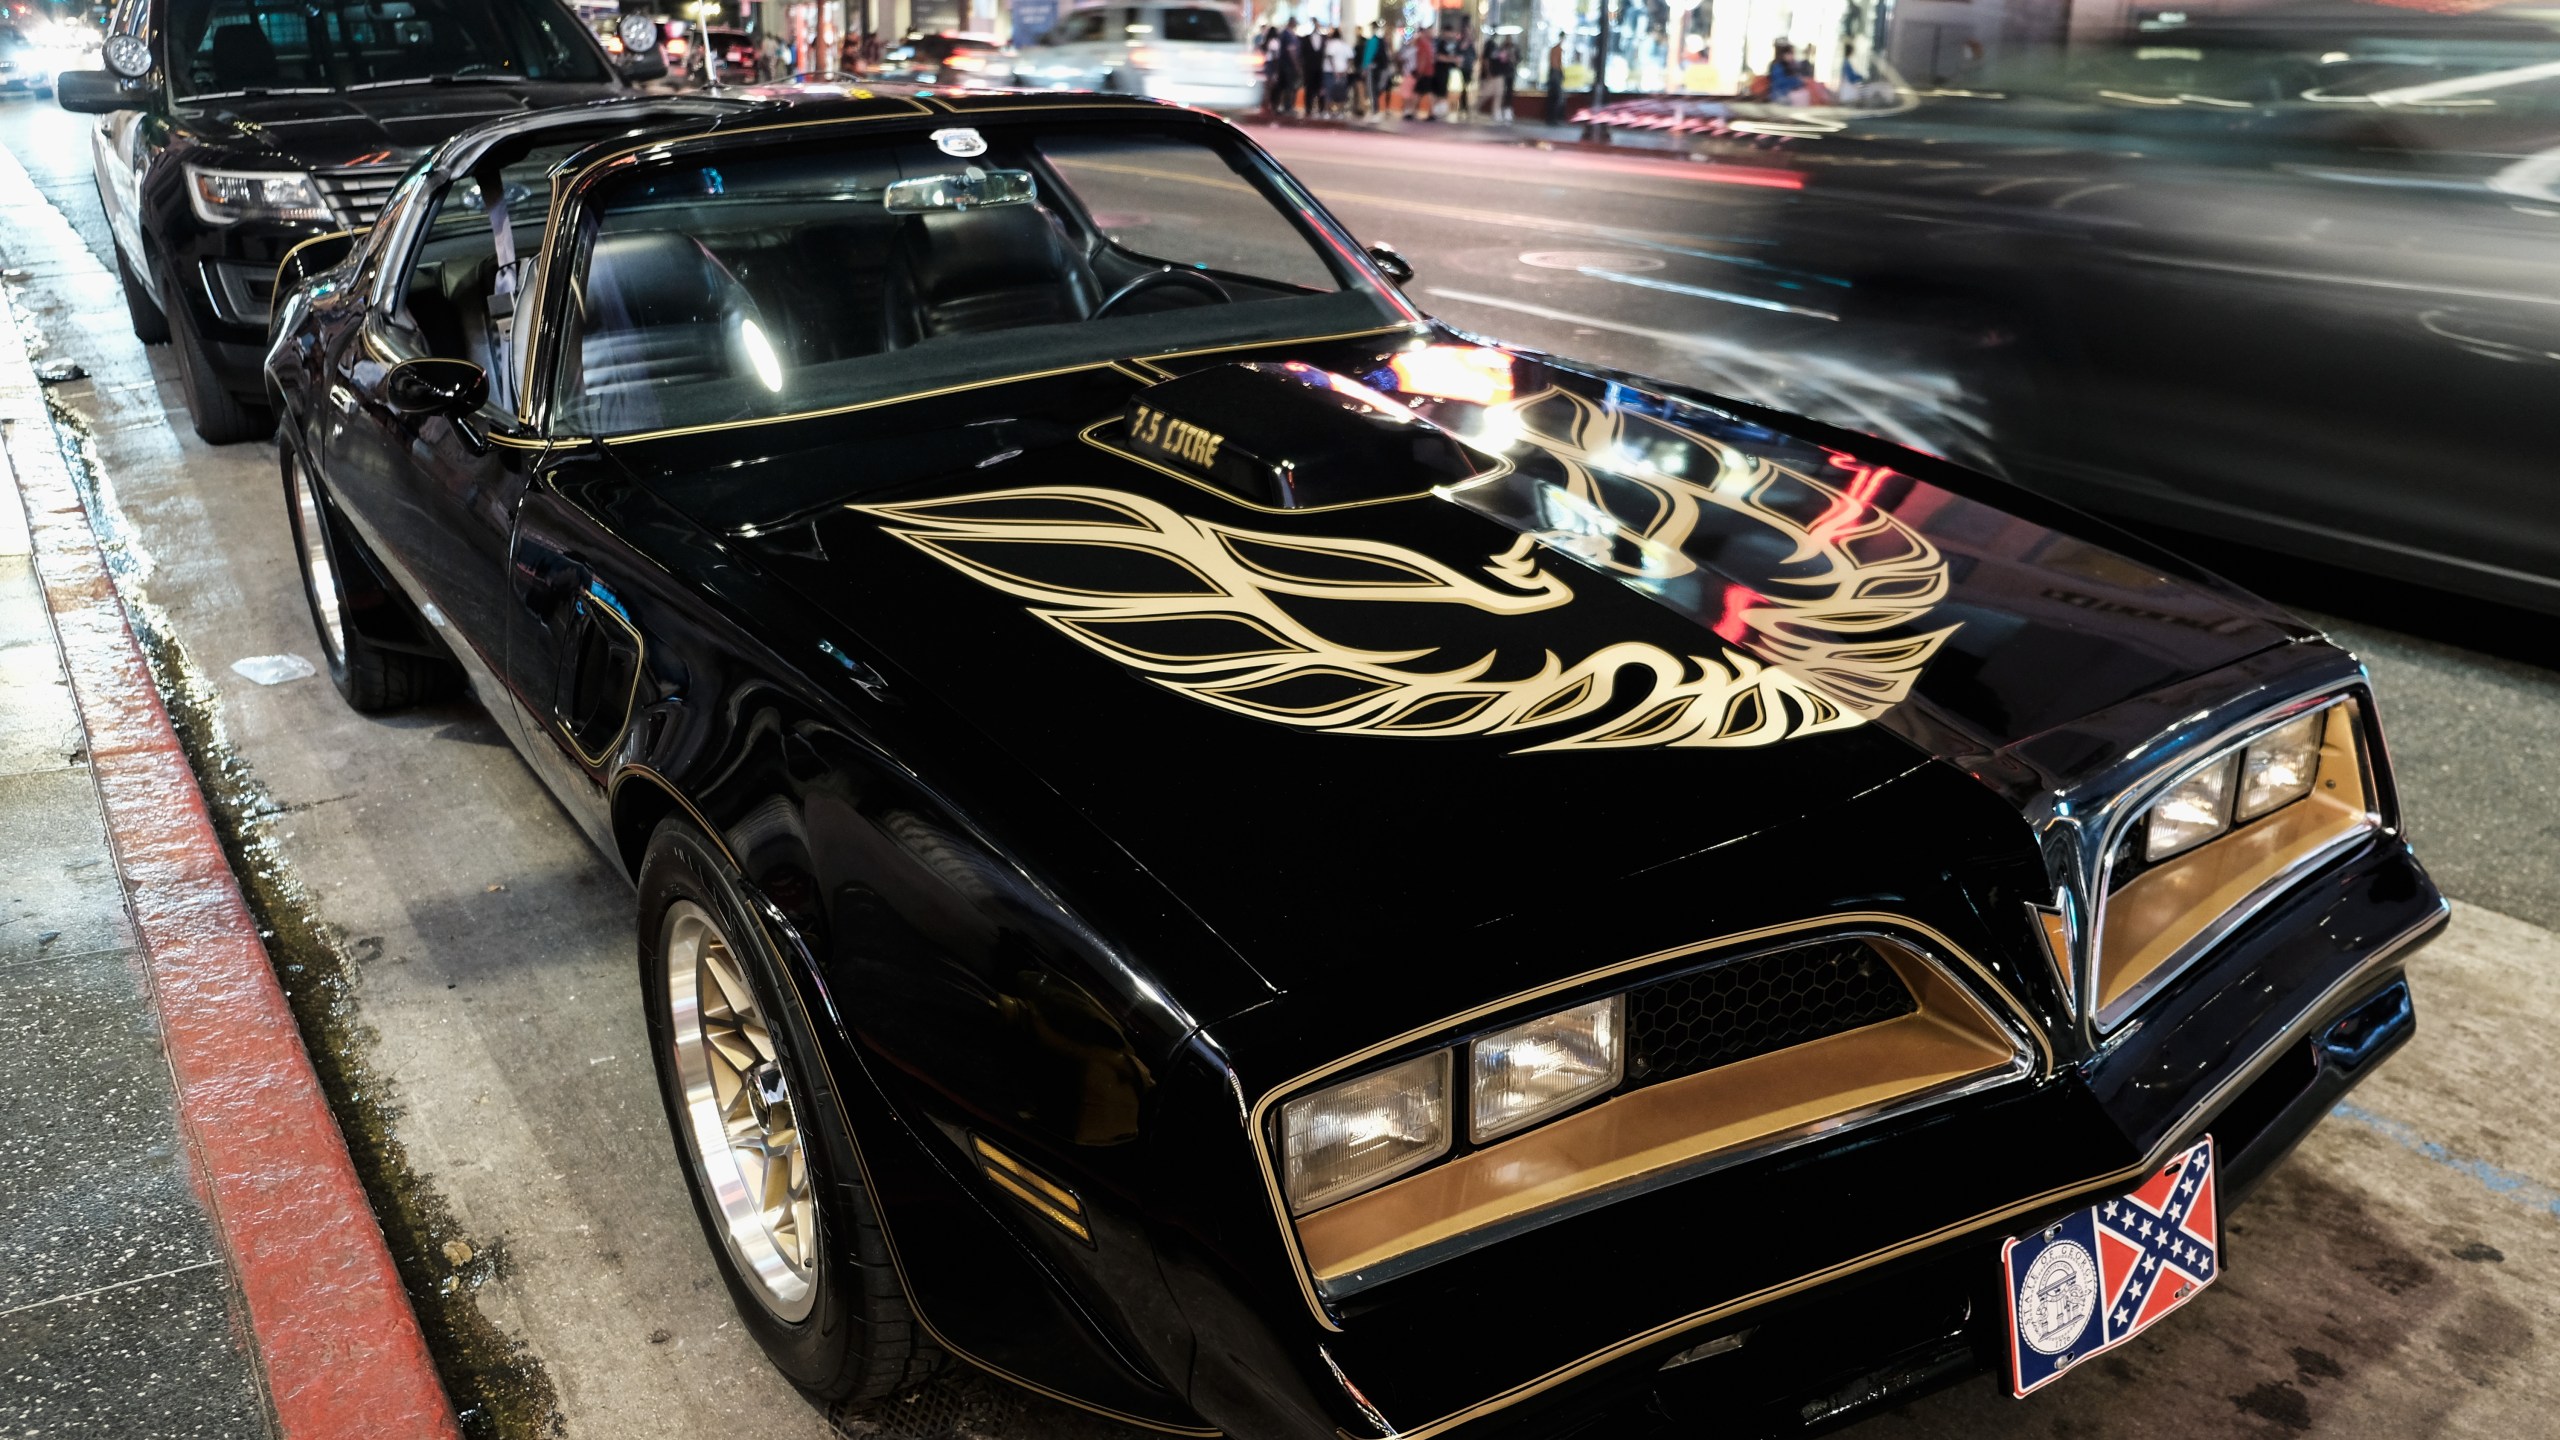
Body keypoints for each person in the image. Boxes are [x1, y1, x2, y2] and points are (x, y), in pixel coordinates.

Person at [1478, 33, 1515, 122]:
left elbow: (1511, 60)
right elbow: (1486, 60)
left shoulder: (1506, 48)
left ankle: (1496, 112)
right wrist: (1488, 73)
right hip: (1493, 74)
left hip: (1501, 74)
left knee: (1499, 93)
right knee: (1486, 92)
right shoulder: (1491, 46)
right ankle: (1474, 107)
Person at [1324, 26, 1353, 115]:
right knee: (1341, 93)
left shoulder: (1330, 44)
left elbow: (1330, 57)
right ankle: (1340, 112)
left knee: (1328, 92)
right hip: (1342, 71)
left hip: (1330, 71)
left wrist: (1334, 70)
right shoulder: (1345, 45)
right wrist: (1345, 69)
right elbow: (1350, 58)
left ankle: (1327, 112)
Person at [1544, 36, 1564, 121]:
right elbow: (1557, 63)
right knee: (1556, 97)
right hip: (1555, 73)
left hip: (1554, 73)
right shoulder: (1557, 49)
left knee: (1553, 97)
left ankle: (1551, 118)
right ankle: (1553, 118)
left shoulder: (1555, 49)